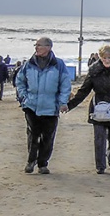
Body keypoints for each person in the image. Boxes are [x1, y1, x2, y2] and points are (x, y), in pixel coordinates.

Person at [65, 44, 110, 175]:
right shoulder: (94, 70)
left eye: (109, 57)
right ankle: (100, 166)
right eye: (104, 58)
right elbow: (84, 91)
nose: (107, 60)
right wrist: (70, 105)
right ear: (100, 57)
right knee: (99, 138)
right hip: (98, 108)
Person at [15, 37, 71, 175]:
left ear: (48, 47)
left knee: (48, 137)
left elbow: (65, 84)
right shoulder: (29, 64)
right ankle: (31, 161)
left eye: (39, 45)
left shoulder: (58, 65)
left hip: (51, 108)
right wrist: (23, 97)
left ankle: (42, 164)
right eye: (36, 45)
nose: (36, 48)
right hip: (31, 106)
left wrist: (63, 102)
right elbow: (20, 81)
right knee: (33, 135)